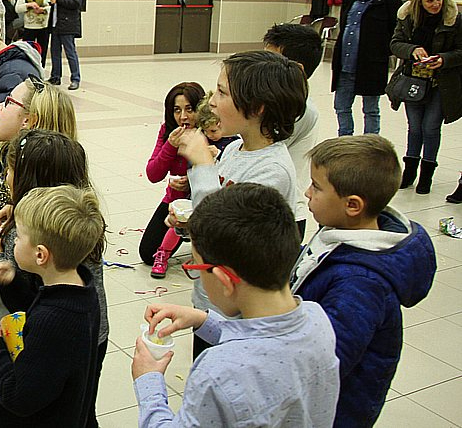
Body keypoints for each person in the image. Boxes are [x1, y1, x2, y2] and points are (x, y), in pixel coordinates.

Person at [134, 183, 339, 427]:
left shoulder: (219, 372)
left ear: (224, 280)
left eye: (196, 268)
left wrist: (149, 382)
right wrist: (203, 319)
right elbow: (266, 337)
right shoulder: (316, 318)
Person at [292, 135, 436, 427]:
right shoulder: (341, 228)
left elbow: (326, 364)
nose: (307, 193)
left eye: (316, 187)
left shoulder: (360, 283)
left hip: (333, 412)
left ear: (353, 205)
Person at [174, 50, 307, 359]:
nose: (211, 102)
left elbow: (222, 235)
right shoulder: (235, 149)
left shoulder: (271, 171)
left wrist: (204, 167)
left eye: (222, 93)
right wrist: (186, 221)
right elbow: (214, 210)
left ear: (257, 108)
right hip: (212, 297)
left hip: (238, 313)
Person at [0, 184, 104, 427]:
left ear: (40, 255)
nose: (14, 242)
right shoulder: (83, 288)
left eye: (19, 237)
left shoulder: (52, 321)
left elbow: (19, 398)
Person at [389, 0, 462, 194]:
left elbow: (460, 51)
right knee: (414, 128)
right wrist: (412, 50)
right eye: (429, 0)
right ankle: (409, 171)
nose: (435, 4)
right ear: (420, 1)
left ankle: (426, 175)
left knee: (430, 128)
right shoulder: (407, 18)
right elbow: (394, 43)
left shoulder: (454, 21)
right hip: (414, 81)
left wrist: (443, 59)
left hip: (442, 84)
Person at [263, 22, 324, 236]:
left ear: (296, 69)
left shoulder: (300, 110)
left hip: (283, 214)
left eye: (270, 61)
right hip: (263, 205)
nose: (261, 67)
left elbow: (257, 149)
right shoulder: (275, 100)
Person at [138, 82, 205, 276]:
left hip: (204, 203)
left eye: (189, 109)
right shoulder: (169, 131)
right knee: (148, 253)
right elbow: (153, 174)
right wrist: (170, 145)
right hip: (175, 204)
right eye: (177, 110)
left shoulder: (211, 132)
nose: (183, 117)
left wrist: (192, 180)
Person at [331, 0, 401, 136]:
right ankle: (345, 141)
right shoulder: (349, 0)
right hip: (345, 66)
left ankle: (370, 143)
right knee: (341, 107)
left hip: (371, 66)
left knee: (370, 109)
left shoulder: (389, 3)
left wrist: (381, 52)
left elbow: (396, 35)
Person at [47, 0, 84, 91]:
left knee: (70, 52)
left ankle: (75, 78)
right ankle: (55, 76)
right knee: (55, 52)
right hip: (56, 24)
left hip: (68, 25)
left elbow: (76, 3)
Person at [16, 0, 51, 67]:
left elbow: (51, 6)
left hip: (43, 26)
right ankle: (28, 70)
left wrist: (43, 10)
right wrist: (29, 5)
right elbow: (17, 8)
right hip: (29, 27)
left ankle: (41, 71)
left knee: (42, 52)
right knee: (28, 52)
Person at [195, 91, 240, 157]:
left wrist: (218, 154)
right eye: (205, 131)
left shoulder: (234, 142)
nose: (209, 135)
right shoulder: (202, 138)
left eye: (213, 131)